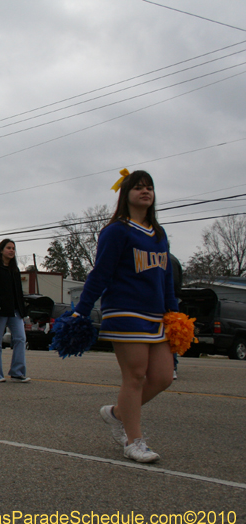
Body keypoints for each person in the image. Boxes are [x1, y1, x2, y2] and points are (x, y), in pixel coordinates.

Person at [75, 169, 176, 464]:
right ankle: (134, 441)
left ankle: (118, 414)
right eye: (138, 188)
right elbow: (100, 274)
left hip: (155, 314)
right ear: (126, 194)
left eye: (149, 188)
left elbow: (166, 276)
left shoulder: (159, 233)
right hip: (124, 311)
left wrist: (173, 311)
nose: (145, 192)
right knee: (135, 376)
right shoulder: (117, 230)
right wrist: (81, 309)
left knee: (163, 377)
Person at [0, 239, 30, 383]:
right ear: (1, 250)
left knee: (20, 338)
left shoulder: (14, 269)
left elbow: (18, 292)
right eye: (8, 248)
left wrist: (23, 310)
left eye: (13, 248)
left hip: (15, 311)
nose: (11, 250)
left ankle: (17, 372)